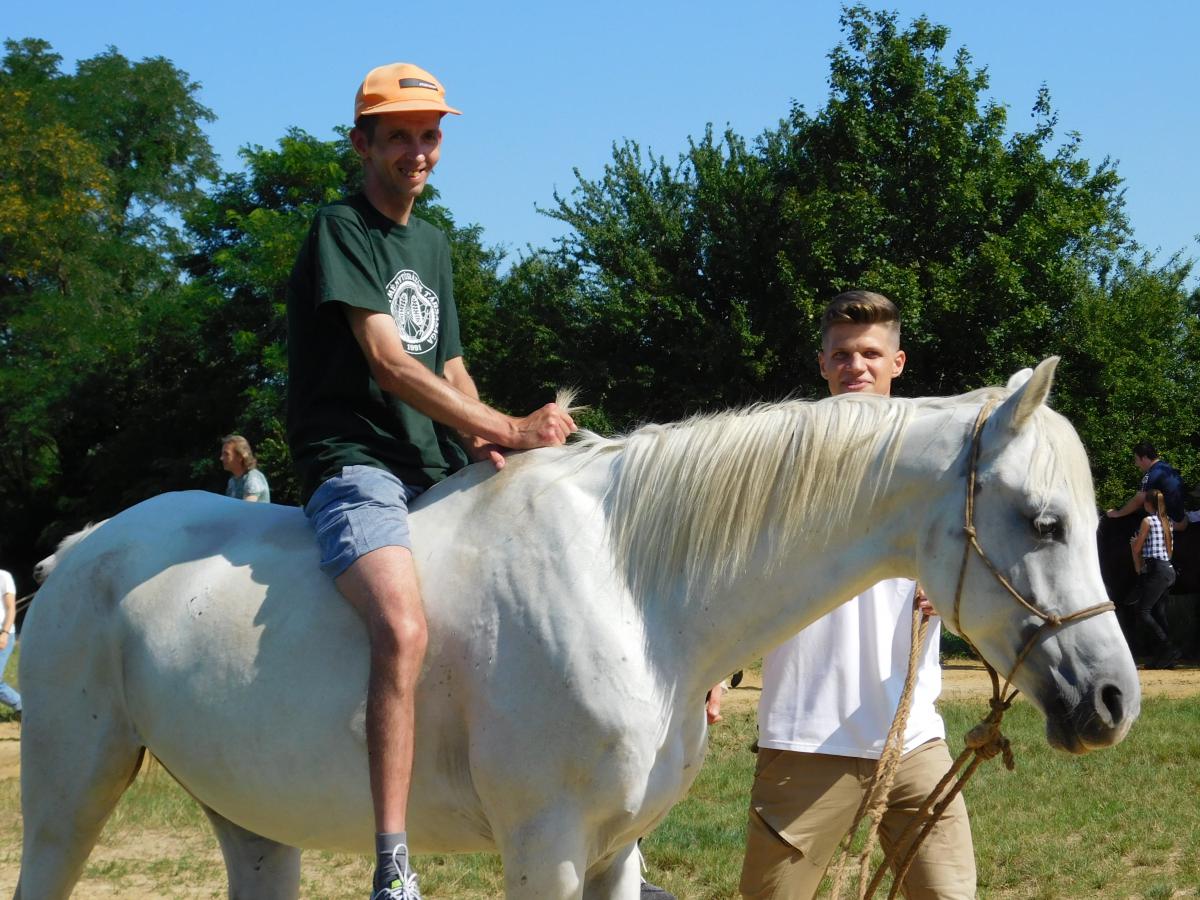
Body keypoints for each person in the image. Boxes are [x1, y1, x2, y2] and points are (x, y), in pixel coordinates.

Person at [285, 62, 576, 900]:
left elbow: (449, 366)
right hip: (356, 461)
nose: (418, 151)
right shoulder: (340, 227)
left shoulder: (433, 244)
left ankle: (597, 837)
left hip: (432, 463)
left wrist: (493, 441)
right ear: (362, 142)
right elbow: (386, 360)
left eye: (430, 135)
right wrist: (506, 426)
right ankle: (392, 863)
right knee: (404, 629)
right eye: (400, 136)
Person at [736, 291, 975, 900]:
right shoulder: (779, 458)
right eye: (842, 354)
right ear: (822, 363)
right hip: (806, 740)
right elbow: (733, 573)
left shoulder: (938, 462)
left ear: (898, 362)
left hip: (914, 740)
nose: (856, 366)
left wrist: (950, 589)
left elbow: (978, 568)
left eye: (870, 352)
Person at [1126, 488, 1181, 669]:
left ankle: (1169, 647)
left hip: (1157, 570)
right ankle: (1165, 657)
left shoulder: (1147, 521)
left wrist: (1134, 544)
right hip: (1168, 569)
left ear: (1148, 503)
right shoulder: (1167, 520)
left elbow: (1137, 548)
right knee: (1159, 613)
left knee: (1142, 611)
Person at [1107, 442, 1187, 531]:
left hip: (1171, 523)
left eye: (1136, 459)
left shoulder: (1152, 474)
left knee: (1132, 531)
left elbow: (1139, 500)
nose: (1136, 464)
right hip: (1180, 519)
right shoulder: (1165, 467)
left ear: (1144, 458)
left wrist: (1118, 513)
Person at [220, 434, 271, 503]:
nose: (221, 458)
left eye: (226, 454)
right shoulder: (232, 481)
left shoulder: (253, 478)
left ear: (240, 456)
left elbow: (246, 508)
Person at [0, 567, 20, 719]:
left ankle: (22, 706)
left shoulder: (3, 576)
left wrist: (5, 633)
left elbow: (11, 608)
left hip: (3, 633)